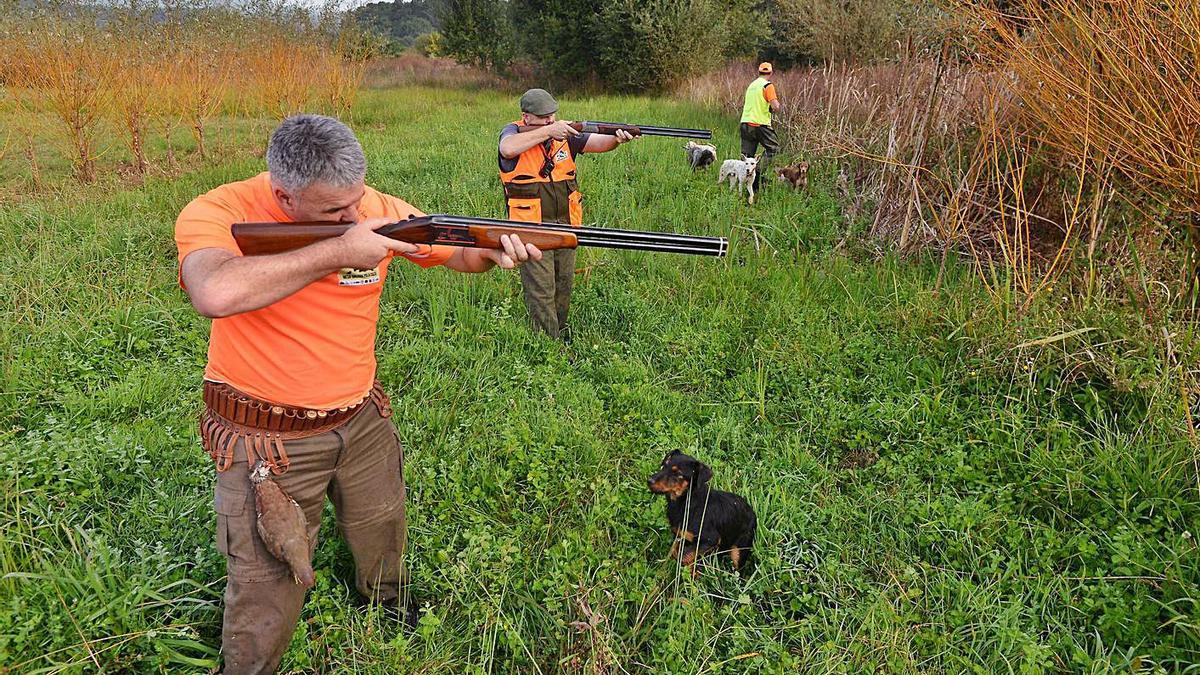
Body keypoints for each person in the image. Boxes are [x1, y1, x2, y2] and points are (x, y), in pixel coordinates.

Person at [175, 114, 540, 674]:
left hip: (361, 416)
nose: (354, 217)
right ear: (283, 195)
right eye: (334, 213)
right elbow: (215, 290)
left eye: (356, 202)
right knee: (266, 577)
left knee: (382, 520)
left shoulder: (377, 208)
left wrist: (493, 252)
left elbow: (461, 254)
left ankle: (389, 606)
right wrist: (337, 250)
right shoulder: (218, 211)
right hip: (268, 437)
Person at [497, 88, 637, 340]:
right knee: (541, 288)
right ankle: (548, 345)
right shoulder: (513, 133)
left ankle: (559, 330)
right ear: (526, 117)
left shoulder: (565, 135)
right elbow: (507, 149)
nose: (551, 121)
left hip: (567, 226)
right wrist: (548, 131)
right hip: (531, 229)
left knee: (563, 284)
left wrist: (617, 138)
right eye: (544, 118)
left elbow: (598, 143)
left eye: (553, 116)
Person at [739, 62, 782, 192]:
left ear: (758, 72)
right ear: (770, 73)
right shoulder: (767, 86)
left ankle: (746, 185)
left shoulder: (751, 86)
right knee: (774, 149)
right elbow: (775, 106)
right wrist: (774, 108)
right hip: (760, 124)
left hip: (745, 123)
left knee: (747, 156)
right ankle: (756, 173)